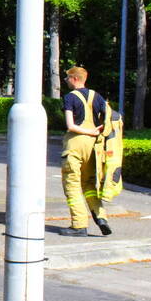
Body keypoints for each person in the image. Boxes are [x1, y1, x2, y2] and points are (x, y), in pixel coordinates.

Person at [60, 66, 112, 237]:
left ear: (75, 78)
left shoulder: (69, 98)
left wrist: (86, 131)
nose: (66, 80)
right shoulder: (97, 96)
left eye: (67, 77)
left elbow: (70, 125)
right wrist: (94, 132)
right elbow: (108, 120)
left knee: (72, 185)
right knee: (89, 185)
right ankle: (101, 217)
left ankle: (79, 225)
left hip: (75, 145)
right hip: (93, 147)